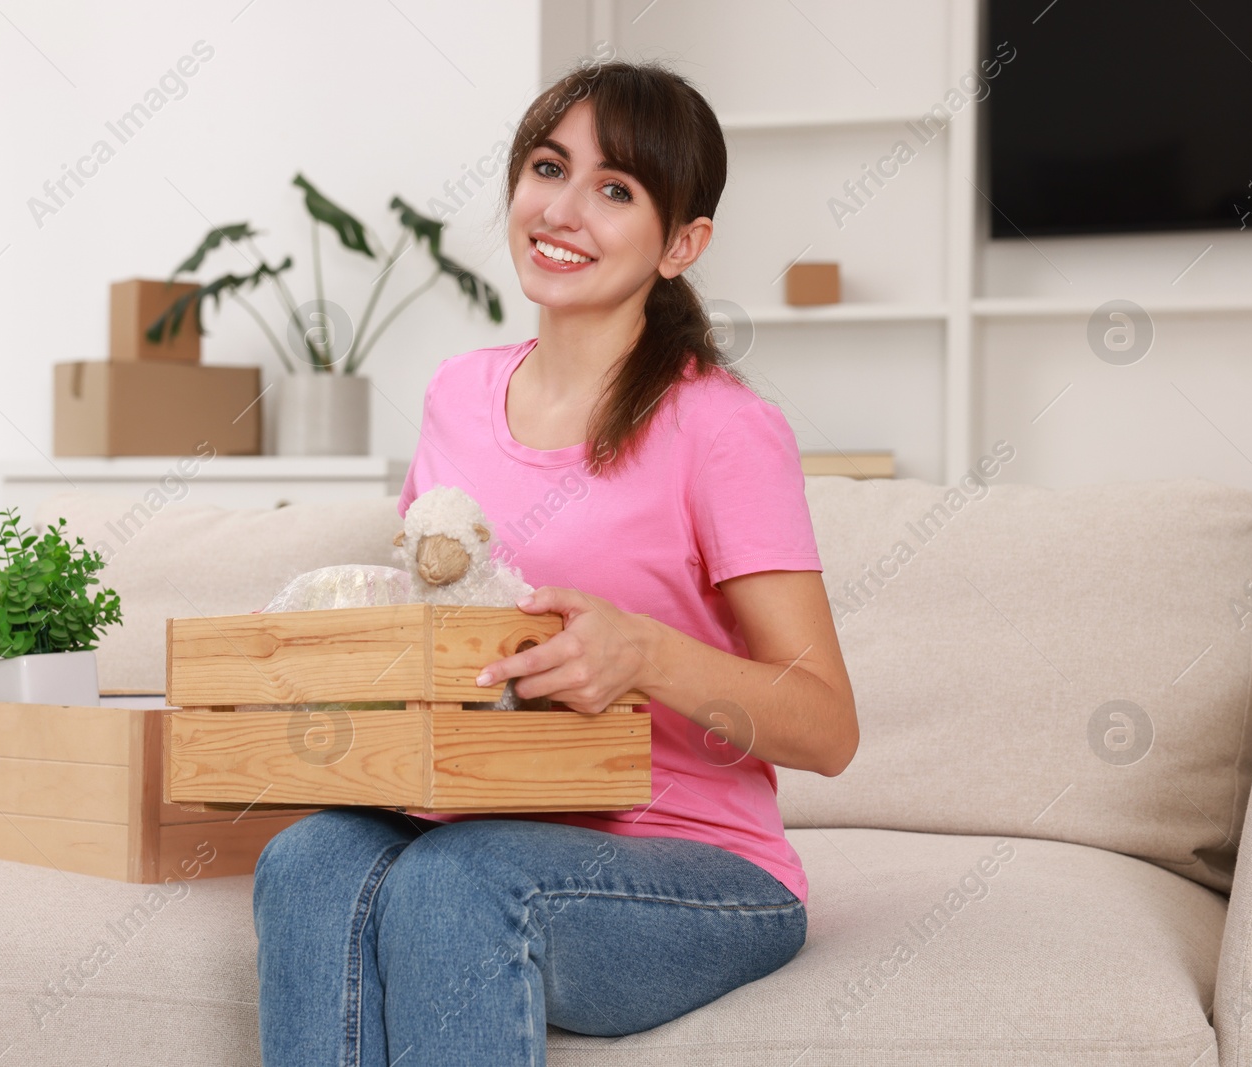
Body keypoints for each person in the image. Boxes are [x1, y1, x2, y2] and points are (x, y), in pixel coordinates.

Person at [252, 58, 859, 1065]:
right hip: (476, 812)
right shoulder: (455, 394)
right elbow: (430, 622)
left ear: (681, 243)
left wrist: (645, 655)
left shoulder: (722, 427)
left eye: (615, 189)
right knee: (306, 857)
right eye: (547, 166)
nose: (563, 209)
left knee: (459, 882)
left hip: (698, 865)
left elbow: (827, 725)